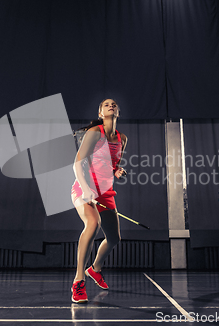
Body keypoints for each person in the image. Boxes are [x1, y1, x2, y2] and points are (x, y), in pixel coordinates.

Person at [70, 98, 127, 303]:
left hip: (105, 192)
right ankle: (78, 281)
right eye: (106, 104)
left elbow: (111, 163)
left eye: (114, 104)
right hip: (84, 187)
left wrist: (117, 170)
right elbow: (78, 164)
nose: (111, 105)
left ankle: (95, 269)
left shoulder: (122, 139)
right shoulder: (95, 133)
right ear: (101, 113)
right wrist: (86, 189)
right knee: (92, 224)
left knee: (114, 239)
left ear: (117, 112)